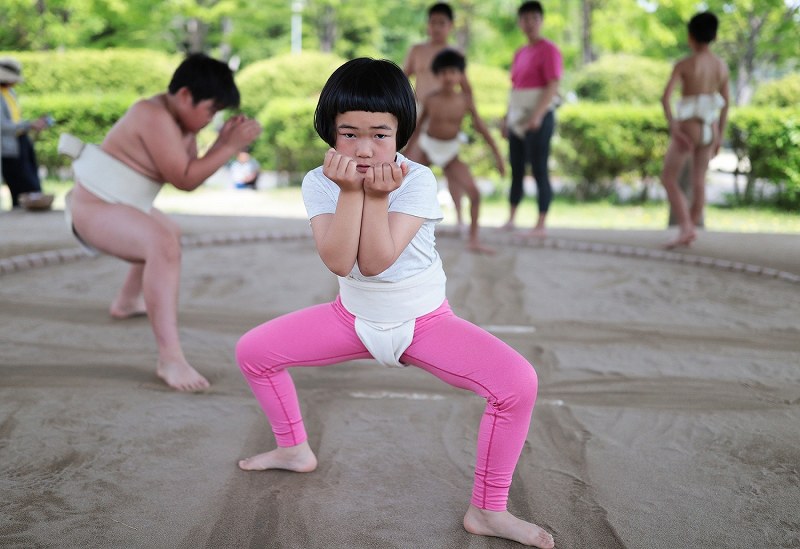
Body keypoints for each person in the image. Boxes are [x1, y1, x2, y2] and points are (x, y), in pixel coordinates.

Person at [235, 58, 555, 549]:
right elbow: (340, 261)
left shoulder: (418, 179)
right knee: (253, 352)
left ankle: (488, 510)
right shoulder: (318, 181)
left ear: (401, 133)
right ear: (329, 131)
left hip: (424, 322)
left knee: (518, 384)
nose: (364, 149)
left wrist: (376, 197)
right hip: (350, 318)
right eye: (349, 134)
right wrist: (350, 191)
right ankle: (293, 449)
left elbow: (376, 261)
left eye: (380, 135)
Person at [59, 53, 261, 392]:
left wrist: (222, 141)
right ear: (185, 95)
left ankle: (126, 301)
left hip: (120, 204)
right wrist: (228, 146)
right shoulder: (151, 115)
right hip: (93, 208)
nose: (211, 118)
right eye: (211, 110)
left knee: (169, 232)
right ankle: (170, 358)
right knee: (161, 243)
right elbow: (185, 178)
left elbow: (190, 169)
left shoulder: (182, 126)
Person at [405, 49, 505, 253]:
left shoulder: (465, 101)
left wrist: (498, 157)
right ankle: (402, 234)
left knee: (474, 194)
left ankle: (474, 239)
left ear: (460, 75)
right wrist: (403, 155)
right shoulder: (430, 99)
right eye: (443, 72)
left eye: (452, 72)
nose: (448, 77)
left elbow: (481, 128)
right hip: (427, 146)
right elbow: (417, 129)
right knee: (404, 184)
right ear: (437, 75)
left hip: (450, 150)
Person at [659, 11, 729, 249]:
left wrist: (674, 127)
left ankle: (686, 227)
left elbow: (665, 98)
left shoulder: (685, 64)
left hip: (688, 127)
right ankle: (690, 227)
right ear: (714, 36)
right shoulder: (721, 66)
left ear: (690, 36)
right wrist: (719, 135)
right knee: (699, 180)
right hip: (710, 128)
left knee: (669, 178)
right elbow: (726, 104)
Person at [501, 1, 562, 237]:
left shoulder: (549, 49)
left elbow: (553, 85)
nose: (529, 23)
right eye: (525, 19)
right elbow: (515, 88)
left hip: (540, 116)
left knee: (539, 168)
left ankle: (541, 222)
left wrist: (537, 116)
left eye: (534, 18)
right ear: (520, 22)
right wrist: (507, 118)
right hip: (517, 114)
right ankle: (511, 218)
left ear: (541, 21)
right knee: (516, 167)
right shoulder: (520, 52)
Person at [0, 57, 55, 211]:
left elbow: (15, 119)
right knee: (23, 185)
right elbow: (3, 125)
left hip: (21, 141)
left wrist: (32, 125)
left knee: (33, 183)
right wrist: (29, 124)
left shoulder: (10, 93)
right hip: (9, 148)